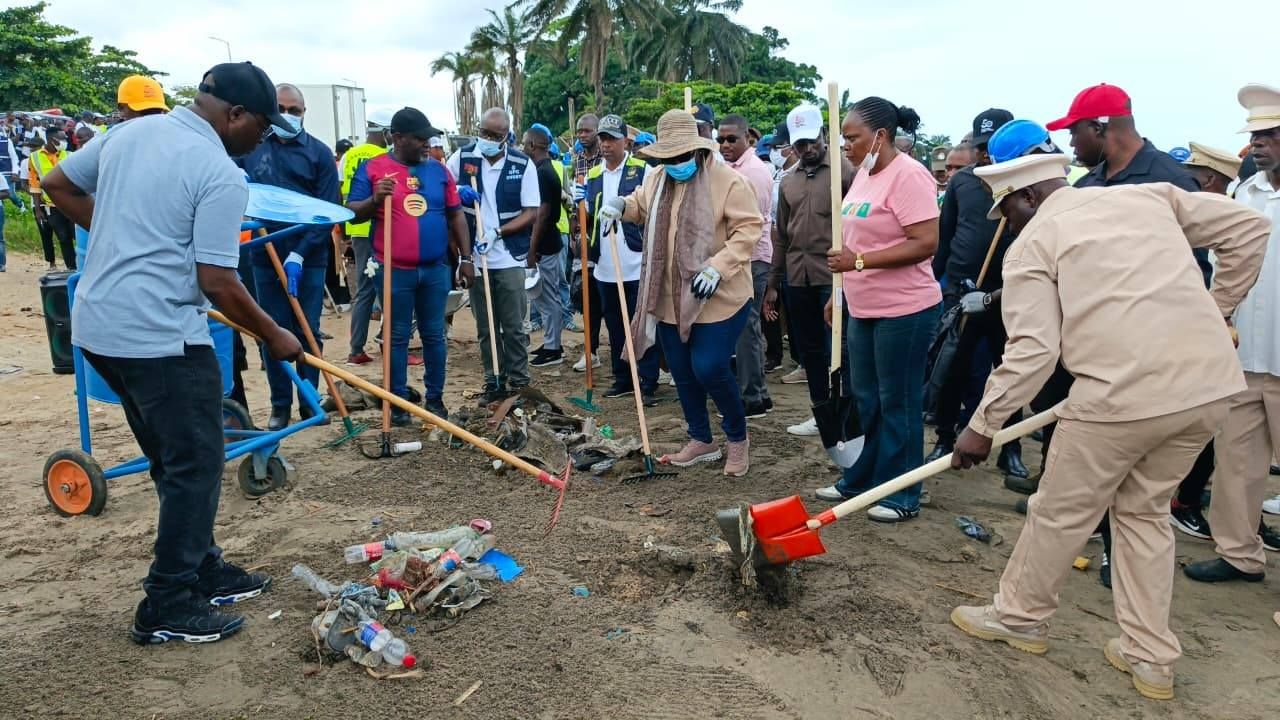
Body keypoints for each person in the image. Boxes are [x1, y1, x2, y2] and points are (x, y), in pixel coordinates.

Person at [947, 153, 1269, 701]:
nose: (1009, 226)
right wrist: (1218, 308)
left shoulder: (1031, 246)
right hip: (1208, 387)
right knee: (1144, 513)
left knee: (1060, 511)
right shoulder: (1143, 198)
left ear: (1027, 198)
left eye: (1008, 213)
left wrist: (983, 425)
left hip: (1118, 397)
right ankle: (1151, 658)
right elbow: (1249, 226)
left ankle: (1020, 616)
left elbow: (1034, 351)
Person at [40, 61, 302, 644]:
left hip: (100, 329)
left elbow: (57, 185)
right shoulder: (217, 171)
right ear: (234, 115)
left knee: (173, 457)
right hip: (156, 335)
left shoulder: (129, 132)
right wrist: (275, 336)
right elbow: (219, 282)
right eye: (260, 129)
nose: (260, 143)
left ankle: (202, 565)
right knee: (197, 463)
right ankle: (168, 599)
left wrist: (118, 235)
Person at [1039, 82, 1203, 587]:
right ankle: (1080, 539)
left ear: (1101, 128)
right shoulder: (1086, 189)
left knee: (1133, 473)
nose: (1070, 147)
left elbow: (1193, 274)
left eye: (1074, 134)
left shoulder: (1170, 183)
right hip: (1087, 346)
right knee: (1080, 461)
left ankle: (1119, 556)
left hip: (1146, 355)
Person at [600, 108, 761, 476]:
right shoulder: (658, 178)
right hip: (669, 295)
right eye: (668, 157)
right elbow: (640, 205)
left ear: (697, 149)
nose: (675, 163)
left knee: (710, 366)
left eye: (681, 156)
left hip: (719, 297)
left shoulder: (728, 182)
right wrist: (618, 206)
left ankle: (737, 439)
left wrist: (717, 268)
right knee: (682, 370)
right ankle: (700, 438)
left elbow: (748, 231)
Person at [813, 97, 941, 523]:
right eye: (843, 138)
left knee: (898, 401)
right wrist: (841, 290)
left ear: (880, 136)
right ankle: (862, 477)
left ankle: (902, 491)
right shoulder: (864, 176)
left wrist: (861, 264)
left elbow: (925, 243)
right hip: (862, 306)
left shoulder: (910, 176)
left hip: (905, 310)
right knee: (866, 398)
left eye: (852, 138)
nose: (845, 146)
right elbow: (854, 244)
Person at [1184, 84, 1280, 583]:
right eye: (1255, 135)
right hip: (1244, 356)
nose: (1258, 144)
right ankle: (1240, 555)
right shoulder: (1246, 193)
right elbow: (1225, 270)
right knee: (1238, 463)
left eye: (1269, 134)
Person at [347, 107, 472, 422]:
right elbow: (351, 212)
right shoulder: (373, 168)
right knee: (397, 335)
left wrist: (466, 259)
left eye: (428, 138)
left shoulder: (439, 171)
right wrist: (375, 200)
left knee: (434, 334)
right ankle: (398, 402)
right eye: (419, 138)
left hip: (434, 269)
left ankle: (435, 399)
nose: (426, 144)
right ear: (397, 137)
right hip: (392, 269)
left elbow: (455, 213)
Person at [927, 108, 1029, 484]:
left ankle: (1011, 448)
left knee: (1009, 371)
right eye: (980, 147)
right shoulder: (963, 183)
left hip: (1012, 294)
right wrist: (935, 283)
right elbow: (947, 233)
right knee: (951, 367)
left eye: (992, 148)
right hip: (962, 290)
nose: (985, 155)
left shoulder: (1023, 184)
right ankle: (944, 437)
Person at [240, 84, 340, 431]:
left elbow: (329, 212)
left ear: (304, 113)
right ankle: (279, 404)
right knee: (272, 330)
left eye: (294, 109)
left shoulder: (319, 154)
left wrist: (299, 253)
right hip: (264, 254)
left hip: (307, 257)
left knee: (307, 330)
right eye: (280, 108)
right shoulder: (253, 149)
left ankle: (309, 400)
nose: (287, 114)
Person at [1165, 142, 1241, 539]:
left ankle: (1187, 500)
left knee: (1210, 430)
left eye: (1190, 180)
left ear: (1208, 181)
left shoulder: (1230, 221)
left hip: (1219, 339)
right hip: (1183, 338)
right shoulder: (1182, 220)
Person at [764, 105, 855, 437]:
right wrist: (774, 283)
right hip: (797, 278)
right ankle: (820, 412)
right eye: (799, 144)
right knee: (810, 351)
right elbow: (782, 236)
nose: (807, 149)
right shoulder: (789, 181)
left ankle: (845, 414)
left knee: (841, 352)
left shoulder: (846, 173)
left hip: (834, 278)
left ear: (824, 134)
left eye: (812, 141)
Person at [448, 108, 540, 403]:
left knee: (513, 326)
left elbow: (531, 212)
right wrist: (457, 191)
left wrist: (498, 233)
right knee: (486, 326)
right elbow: (445, 201)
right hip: (475, 257)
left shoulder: (521, 164)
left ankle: (519, 381)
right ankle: (494, 380)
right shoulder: (461, 159)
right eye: (484, 132)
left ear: (506, 136)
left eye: (494, 135)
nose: (487, 139)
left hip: (509, 257)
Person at [579, 114, 660, 402]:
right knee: (615, 324)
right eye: (602, 139)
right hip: (606, 265)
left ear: (625, 140)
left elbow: (651, 208)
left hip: (637, 262)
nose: (605, 144)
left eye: (612, 139)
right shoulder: (593, 175)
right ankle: (623, 377)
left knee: (640, 323)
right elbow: (587, 218)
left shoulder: (642, 170)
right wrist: (577, 204)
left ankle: (648, 379)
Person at [718, 113, 775, 418]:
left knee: (746, 328)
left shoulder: (752, 172)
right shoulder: (730, 169)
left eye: (731, 139)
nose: (725, 145)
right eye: (720, 139)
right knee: (743, 327)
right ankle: (757, 393)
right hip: (740, 256)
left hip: (751, 257)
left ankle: (752, 397)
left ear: (746, 139)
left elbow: (752, 223)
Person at [340, 122, 390, 365]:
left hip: (354, 224)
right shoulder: (382, 157)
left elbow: (342, 193)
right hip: (376, 226)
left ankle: (356, 347)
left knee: (363, 289)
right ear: (385, 132)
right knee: (386, 288)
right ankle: (379, 345)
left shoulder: (349, 154)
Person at [523, 123, 568, 368]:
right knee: (544, 297)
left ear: (532, 145)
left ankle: (554, 348)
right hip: (546, 241)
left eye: (524, 142)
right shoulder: (546, 169)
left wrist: (532, 248)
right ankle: (551, 342)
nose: (522, 146)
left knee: (549, 297)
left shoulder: (542, 173)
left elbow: (542, 214)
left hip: (545, 243)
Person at [571, 113, 605, 372]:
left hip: (608, 232)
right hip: (586, 236)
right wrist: (575, 219)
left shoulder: (607, 157)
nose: (582, 135)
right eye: (579, 131)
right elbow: (577, 197)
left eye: (586, 131)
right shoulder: (577, 159)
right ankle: (590, 351)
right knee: (588, 295)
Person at [29, 128, 76, 271]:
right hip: (52, 205)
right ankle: (72, 267)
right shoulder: (35, 157)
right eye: (61, 139)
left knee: (77, 236)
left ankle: (83, 265)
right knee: (63, 237)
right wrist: (38, 209)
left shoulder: (70, 155)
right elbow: (35, 185)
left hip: (73, 204)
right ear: (52, 140)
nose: (65, 142)